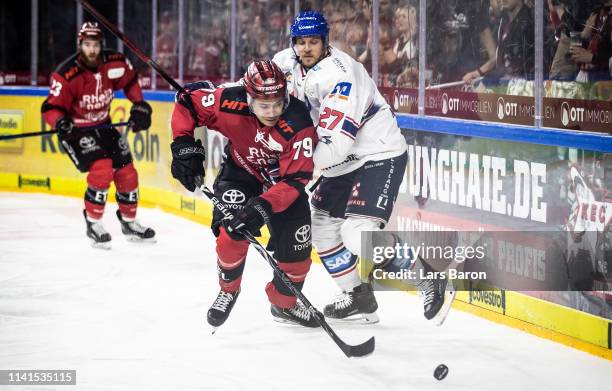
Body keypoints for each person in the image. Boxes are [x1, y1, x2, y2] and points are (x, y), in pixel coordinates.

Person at [273, 11, 451, 323]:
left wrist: (283, 161)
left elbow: (332, 149)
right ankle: (358, 296)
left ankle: (428, 278)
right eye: (300, 42)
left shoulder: (341, 75)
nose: (305, 48)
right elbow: (252, 85)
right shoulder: (287, 61)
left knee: (358, 234)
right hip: (342, 163)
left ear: (326, 42)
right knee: (322, 229)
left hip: (377, 154)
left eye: (313, 41)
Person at [170, 60, 319, 329]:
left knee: (297, 254)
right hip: (241, 172)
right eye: (264, 105)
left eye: (278, 102)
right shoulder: (228, 101)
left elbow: (296, 179)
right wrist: (182, 145)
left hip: (282, 186)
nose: (272, 111)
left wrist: (261, 207)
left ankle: (283, 305)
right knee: (232, 231)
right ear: (248, 98)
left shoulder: (298, 121)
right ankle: (229, 289)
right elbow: (186, 102)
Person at [41, 22, 155, 249]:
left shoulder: (115, 63)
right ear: (80, 45)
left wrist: (140, 105)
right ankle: (93, 223)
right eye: (87, 45)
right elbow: (50, 108)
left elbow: (130, 82)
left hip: (104, 126)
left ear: (102, 45)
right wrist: (61, 122)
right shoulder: (66, 74)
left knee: (127, 171)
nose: (91, 50)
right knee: (102, 168)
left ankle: (129, 222)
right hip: (76, 131)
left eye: (95, 45)